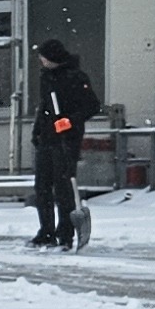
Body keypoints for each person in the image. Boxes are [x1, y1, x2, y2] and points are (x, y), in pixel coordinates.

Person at [25, 39, 101, 247]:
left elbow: (92, 106)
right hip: (47, 139)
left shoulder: (76, 77)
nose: (40, 61)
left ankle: (66, 233)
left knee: (63, 187)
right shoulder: (46, 77)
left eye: (43, 57)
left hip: (67, 141)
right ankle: (46, 231)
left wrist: (70, 122)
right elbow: (45, 107)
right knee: (42, 187)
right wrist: (38, 131)